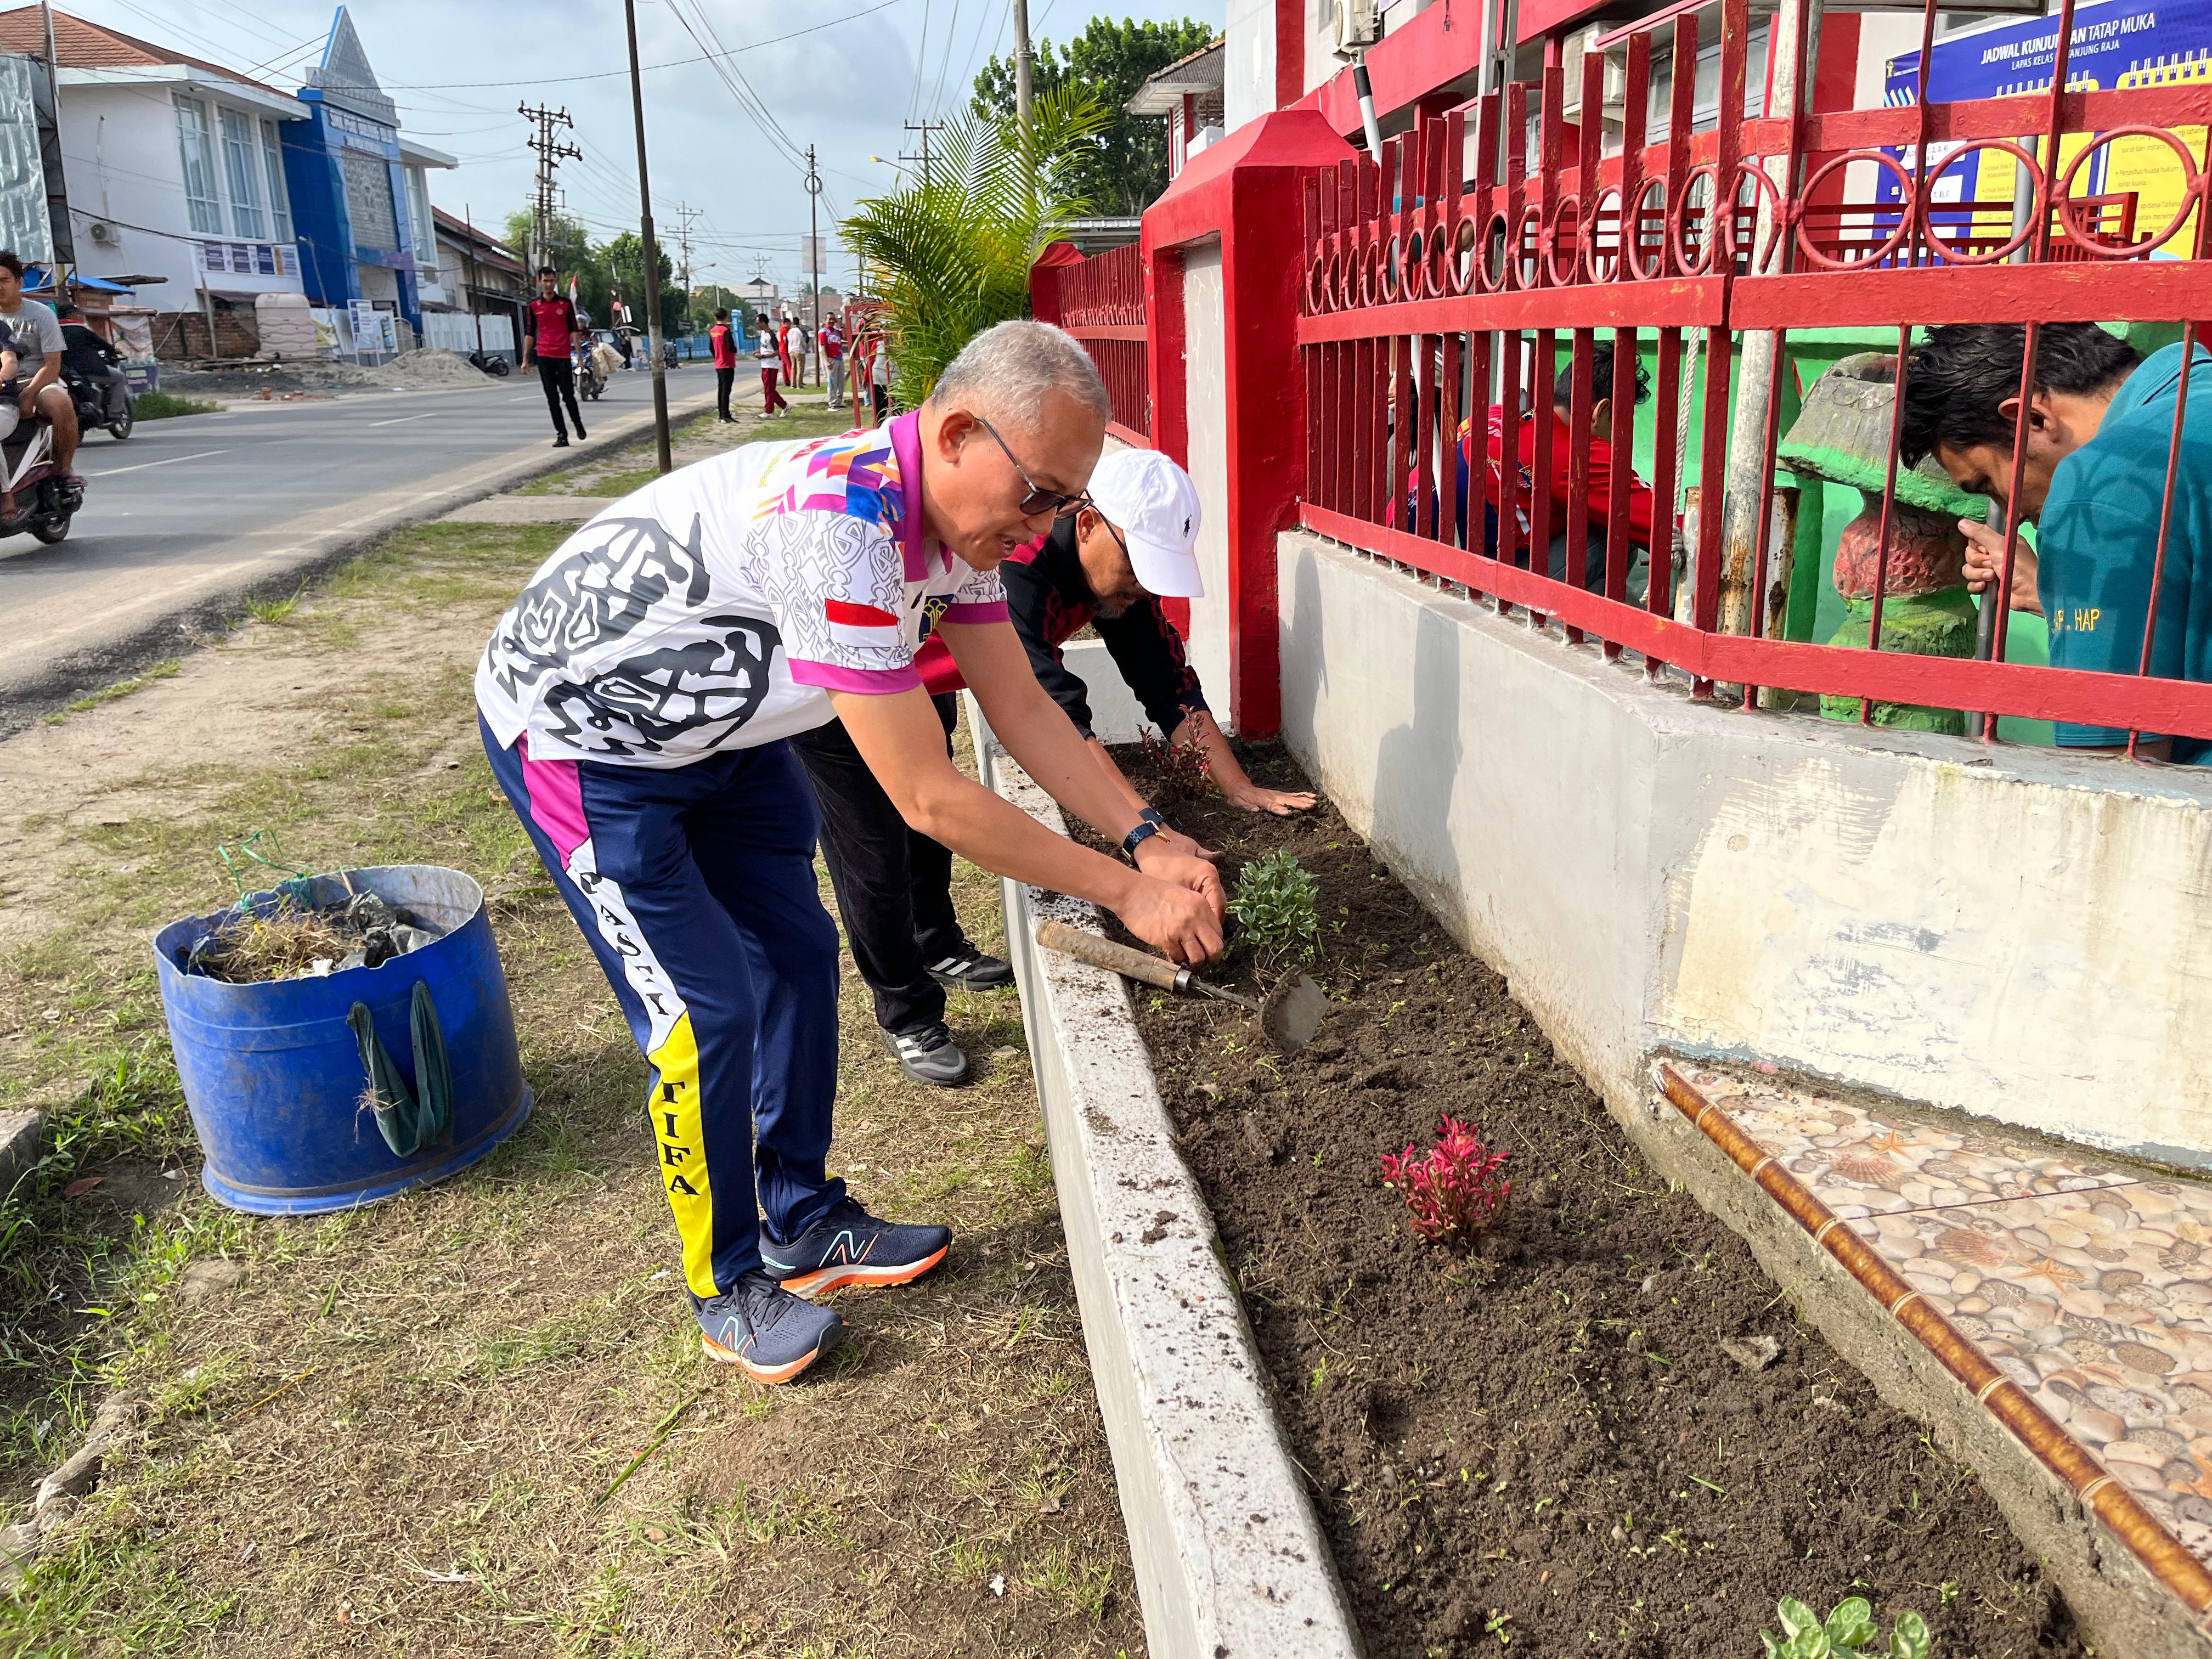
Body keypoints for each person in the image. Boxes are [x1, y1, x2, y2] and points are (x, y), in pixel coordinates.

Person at [475, 320, 1222, 1384]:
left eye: (1063, 503)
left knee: (794, 950)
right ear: (960, 432)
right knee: (702, 1013)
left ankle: (800, 1216)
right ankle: (728, 1283)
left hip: (720, 734)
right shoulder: (841, 524)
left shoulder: (951, 528)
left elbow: (1018, 707)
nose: (1045, 529)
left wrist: (1147, 836)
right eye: (1041, 496)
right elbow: (928, 798)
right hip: (586, 739)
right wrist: (1124, 893)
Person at [800, 447, 1313, 1085]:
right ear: (1091, 524)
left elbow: (1166, 680)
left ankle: (937, 944)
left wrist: (1239, 787)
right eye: (1136, 562)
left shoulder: (1116, 586)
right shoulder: (1019, 567)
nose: (1142, 584)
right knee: (874, 850)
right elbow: (1057, 719)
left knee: (928, 842)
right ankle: (907, 1011)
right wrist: (1143, 838)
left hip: (920, 676)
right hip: (841, 683)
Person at [1903, 321, 2212, 762]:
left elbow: (2115, 770)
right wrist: (2060, 593)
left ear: (2032, 419)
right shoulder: (2194, 402)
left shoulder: (2104, 478)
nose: (2010, 514)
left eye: (1989, 483)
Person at [0, 252, 77, 486]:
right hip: (4, 386)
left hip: (38, 381)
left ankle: (64, 470)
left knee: (60, 403)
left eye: (4, 280)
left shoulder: (41, 314)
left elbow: (52, 366)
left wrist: (29, 394)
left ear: (19, 282)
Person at [521, 267, 586, 448]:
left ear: (555, 281)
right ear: (540, 282)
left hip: (563, 356)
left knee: (568, 395)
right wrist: (525, 359)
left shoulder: (565, 305)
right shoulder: (534, 307)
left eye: (552, 281)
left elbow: (574, 331)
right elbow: (529, 334)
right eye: (545, 281)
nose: (549, 284)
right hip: (544, 356)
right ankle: (562, 434)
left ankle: (578, 424)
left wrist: (579, 357)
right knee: (552, 398)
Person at [708, 308, 740, 423]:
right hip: (727, 364)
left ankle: (722, 414)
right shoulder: (725, 330)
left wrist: (717, 356)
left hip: (718, 364)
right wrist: (734, 351)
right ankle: (726, 415)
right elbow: (731, 347)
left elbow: (711, 347)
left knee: (721, 390)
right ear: (726, 318)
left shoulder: (713, 331)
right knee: (727, 390)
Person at [755, 323, 788, 416]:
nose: (757, 324)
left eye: (758, 322)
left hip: (771, 365)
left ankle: (769, 411)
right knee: (769, 389)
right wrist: (759, 353)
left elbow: (777, 352)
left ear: (763, 323)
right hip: (764, 365)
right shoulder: (762, 334)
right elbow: (765, 348)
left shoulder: (771, 335)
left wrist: (763, 356)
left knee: (769, 390)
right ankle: (784, 406)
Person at [822, 314, 846, 408]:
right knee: (833, 382)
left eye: (833, 319)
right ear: (826, 320)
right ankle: (832, 402)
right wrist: (827, 361)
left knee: (841, 382)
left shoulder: (836, 331)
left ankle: (839, 402)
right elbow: (824, 347)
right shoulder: (824, 332)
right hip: (831, 359)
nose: (832, 321)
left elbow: (845, 338)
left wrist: (842, 326)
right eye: (830, 319)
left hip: (840, 358)